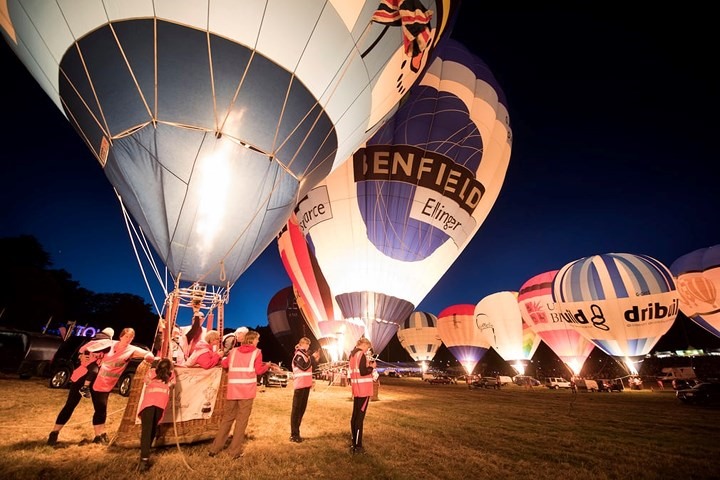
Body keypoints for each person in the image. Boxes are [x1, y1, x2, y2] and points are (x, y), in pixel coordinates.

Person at [207, 330, 274, 459]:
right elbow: (259, 370)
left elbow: (224, 364)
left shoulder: (233, 352)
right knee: (241, 422)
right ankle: (234, 452)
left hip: (233, 390)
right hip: (247, 391)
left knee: (227, 419)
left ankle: (214, 449)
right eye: (257, 339)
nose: (258, 341)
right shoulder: (257, 352)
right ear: (253, 340)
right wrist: (268, 366)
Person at [84, 327, 154, 445]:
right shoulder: (110, 345)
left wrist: (149, 357)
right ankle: (98, 434)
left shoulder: (131, 350)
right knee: (101, 408)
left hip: (109, 383)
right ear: (121, 336)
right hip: (97, 380)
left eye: (131, 337)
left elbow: (148, 354)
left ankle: (102, 433)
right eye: (126, 336)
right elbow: (90, 349)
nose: (128, 339)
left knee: (102, 408)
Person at [46, 329, 115, 446]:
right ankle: (54, 433)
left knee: (97, 407)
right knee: (93, 407)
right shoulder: (101, 345)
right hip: (88, 377)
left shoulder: (96, 345)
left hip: (91, 377)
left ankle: (99, 435)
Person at [137, 357, 175, 473]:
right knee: (152, 429)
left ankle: (144, 457)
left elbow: (146, 380)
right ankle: (145, 455)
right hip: (160, 405)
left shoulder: (151, 373)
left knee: (147, 431)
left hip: (148, 405)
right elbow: (172, 385)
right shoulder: (171, 376)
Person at [289, 336, 320, 443]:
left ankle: (297, 432)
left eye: (308, 345)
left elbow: (310, 367)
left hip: (306, 386)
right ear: (301, 344)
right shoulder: (298, 355)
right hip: (299, 387)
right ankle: (294, 434)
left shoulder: (305, 356)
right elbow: (303, 367)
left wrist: (314, 359)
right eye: (306, 344)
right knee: (296, 410)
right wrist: (311, 358)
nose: (308, 347)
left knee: (301, 410)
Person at [348, 336, 376, 455]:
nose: (367, 350)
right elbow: (363, 371)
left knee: (355, 416)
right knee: (360, 418)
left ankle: (354, 441)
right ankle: (358, 446)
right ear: (364, 345)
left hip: (357, 389)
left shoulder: (352, 355)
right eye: (367, 348)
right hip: (364, 389)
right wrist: (371, 367)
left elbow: (355, 371)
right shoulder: (361, 355)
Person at [78, 327, 115, 398]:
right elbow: (83, 350)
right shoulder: (97, 342)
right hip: (89, 361)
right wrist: (82, 355)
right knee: (94, 371)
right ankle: (84, 388)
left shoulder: (104, 344)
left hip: (96, 362)